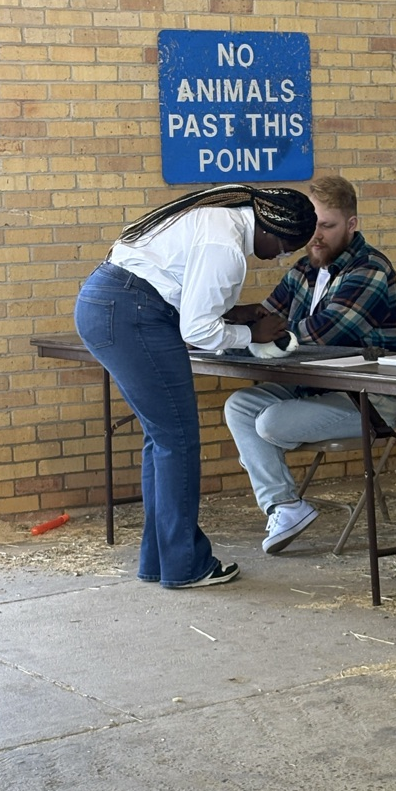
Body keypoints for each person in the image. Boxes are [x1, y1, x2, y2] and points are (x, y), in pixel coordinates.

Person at [74, 184, 317, 588]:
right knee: (178, 440)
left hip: (109, 302)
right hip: (133, 314)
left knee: (162, 440)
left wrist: (237, 314)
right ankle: (187, 566)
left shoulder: (221, 210)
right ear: (274, 233)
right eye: (286, 249)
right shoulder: (228, 249)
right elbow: (198, 331)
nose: (280, 257)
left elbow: (184, 292)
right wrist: (251, 336)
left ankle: (160, 561)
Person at [223, 175, 396, 554]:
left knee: (269, 422)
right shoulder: (303, 270)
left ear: (351, 225)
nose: (316, 237)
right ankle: (285, 506)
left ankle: (280, 492)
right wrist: (234, 327)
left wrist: (258, 333)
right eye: (312, 227)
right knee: (239, 406)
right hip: (316, 386)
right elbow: (266, 316)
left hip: (373, 398)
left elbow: (319, 335)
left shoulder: (370, 269)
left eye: (327, 226)